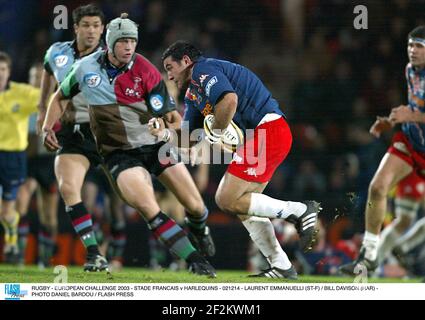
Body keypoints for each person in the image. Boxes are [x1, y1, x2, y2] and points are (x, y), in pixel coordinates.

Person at [42, 13, 216, 277]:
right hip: (119, 155)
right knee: (148, 207)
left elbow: (170, 116)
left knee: (195, 206)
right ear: (110, 43)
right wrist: (46, 126)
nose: (129, 47)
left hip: (155, 147)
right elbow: (59, 96)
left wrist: (177, 135)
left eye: (132, 42)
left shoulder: (145, 70)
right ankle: (194, 259)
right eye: (123, 41)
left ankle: (200, 228)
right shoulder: (84, 68)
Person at [151, 40, 322, 279]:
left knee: (225, 198)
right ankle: (281, 265)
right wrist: (165, 133)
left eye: (170, 67)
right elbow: (189, 138)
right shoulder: (192, 95)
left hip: (268, 129)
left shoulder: (203, 69)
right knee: (243, 205)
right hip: (265, 135)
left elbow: (230, 101)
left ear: (186, 62)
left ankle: (299, 211)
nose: (169, 76)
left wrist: (215, 133)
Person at [340, 26, 425, 275]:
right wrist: (391, 120)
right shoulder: (411, 71)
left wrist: (411, 114)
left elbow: (414, 112)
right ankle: (368, 256)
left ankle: (405, 252)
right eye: (410, 45)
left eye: (419, 45)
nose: (412, 50)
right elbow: (414, 108)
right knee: (377, 188)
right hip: (411, 141)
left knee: (407, 218)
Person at [37, 4, 109, 272]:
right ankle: (94, 252)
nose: (91, 31)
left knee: (132, 198)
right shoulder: (56, 53)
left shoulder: (110, 57)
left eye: (96, 26)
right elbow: (47, 75)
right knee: (69, 189)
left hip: (106, 134)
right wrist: (42, 110)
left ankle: (190, 243)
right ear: (75, 28)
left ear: (102, 30)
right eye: (86, 25)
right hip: (71, 135)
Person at [15, 62, 59, 267]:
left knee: (49, 214)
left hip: (50, 162)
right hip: (29, 161)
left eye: (39, 77)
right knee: (22, 200)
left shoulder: (55, 101)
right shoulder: (20, 101)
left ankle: (45, 258)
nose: (35, 80)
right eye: (33, 76)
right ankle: (18, 256)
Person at [0, 51, 40, 263]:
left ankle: (12, 240)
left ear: (9, 72)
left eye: (3, 69)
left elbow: (47, 99)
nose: (0, 74)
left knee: (7, 210)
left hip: (13, 158)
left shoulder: (22, 92)